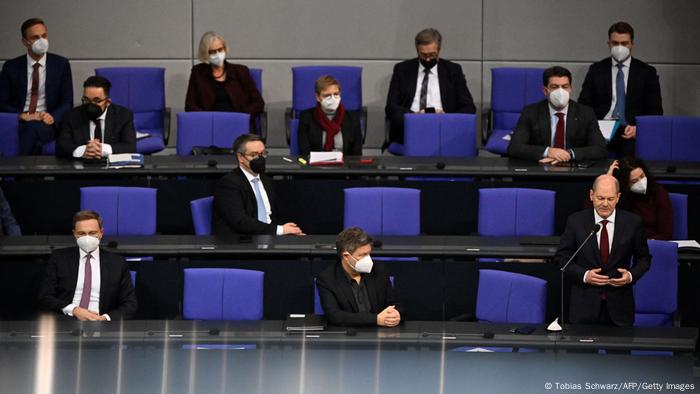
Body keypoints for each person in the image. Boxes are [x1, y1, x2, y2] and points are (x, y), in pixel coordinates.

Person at [555, 175, 650, 326]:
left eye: (610, 199)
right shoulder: (576, 221)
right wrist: (585, 275)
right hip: (584, 307)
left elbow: (644, 259)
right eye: (600, 198)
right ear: (591, 195)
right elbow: (562, 258)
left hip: (620, 307)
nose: (605, 204)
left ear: (618, 197)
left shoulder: (633, 222)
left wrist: (630, 276)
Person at [578, 22, 663, 157]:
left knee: (629, 154)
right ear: (609, 44)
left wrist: (639, 129)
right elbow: (583, 105)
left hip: (629, 129)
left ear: (631, 44)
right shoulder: (596, 70)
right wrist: (592, 127)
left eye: (624, 43)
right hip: (601, 127)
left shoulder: (647, 72)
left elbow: (655, 110)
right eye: (615, 43)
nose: (619, 48)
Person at [37, 210, 137, 320]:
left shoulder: (117, 263)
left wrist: (105, 318)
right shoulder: (59, 258)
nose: (87, 237)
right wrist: (74, 310)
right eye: (82, 233)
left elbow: (130, 304)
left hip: (102, 324)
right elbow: (45, 297)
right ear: (75, 234)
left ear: (101, 233)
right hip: (66, 320)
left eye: (92, 233)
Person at [385, 28, 476, 146]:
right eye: (423, 55)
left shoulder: (453, 71)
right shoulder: (402, 70)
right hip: (411, 128)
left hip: (444, 129)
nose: (428, 59)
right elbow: (391, 107)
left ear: (439, 50)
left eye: (432, 54)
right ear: (417, 50)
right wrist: (414, 117)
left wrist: (447, 118)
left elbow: (469, 108)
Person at [0, 18, 73, 155]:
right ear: (25, 42)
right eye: (35, 37)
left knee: (31, 130)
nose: (42, 41)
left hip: (46, 123)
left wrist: (51, 117)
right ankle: (29, 175)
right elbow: (2, 102)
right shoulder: (11, 67)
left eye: (44, 36)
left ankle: (14, 175)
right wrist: (21, 115)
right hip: (19, 121)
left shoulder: (61, 65)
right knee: (32, 138)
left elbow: (67, 102)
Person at [507, 66, 607, 164]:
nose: (560, 92)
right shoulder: (530, 112)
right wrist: (548, 151)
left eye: (565, 87)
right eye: (554, 87)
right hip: (541, 167)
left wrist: (568, 154)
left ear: (570, 89)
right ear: (545, 91)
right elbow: (515, 147)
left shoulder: (586, 113)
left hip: (573, 168)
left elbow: (600, 149)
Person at [212, 133, 303, 236]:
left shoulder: (267, 181)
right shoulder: (228, 184)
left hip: (270, 238)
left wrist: (287, 231)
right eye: (253, 155)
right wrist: (280, 230)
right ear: (240, 157)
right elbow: (241, 222)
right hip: (243, 242)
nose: (259, 159)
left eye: (262, 154)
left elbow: (274, 217)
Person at [317, 227, 402, 327]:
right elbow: (335, 316)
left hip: (381, 333)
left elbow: (396, 304)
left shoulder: (379, 270)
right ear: (346, 256)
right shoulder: (327, 279)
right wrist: (376, 319)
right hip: (347, 335)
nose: (368, 259)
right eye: (363, 255)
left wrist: (396, 313)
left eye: (369, 254)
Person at [185, 31, 264, 131]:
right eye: (212, 52)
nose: (217, 54)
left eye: (220, 49)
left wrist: (241, 118)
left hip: (237, 124)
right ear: (205, 54)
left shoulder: (241, 71)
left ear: (225, 49)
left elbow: (258, 103)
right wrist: (208, 120)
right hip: (209, 126)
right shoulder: (198, 73)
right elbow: (190, 105)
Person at [55, 76, 136, 159]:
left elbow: (130, 146)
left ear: (108, 102)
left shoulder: (123, 115)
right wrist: (83, 150)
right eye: (86, 100)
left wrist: (102, 149)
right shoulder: (70, 116)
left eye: (96, 101)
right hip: (81, 166)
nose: (90, 105)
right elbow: (62, 146)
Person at [607, 157, 672, 240]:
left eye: (642, 176)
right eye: (634, 181)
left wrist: (644, 245)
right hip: (622, 245)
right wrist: (607, 178)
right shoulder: (617, 196)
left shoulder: (658, 193)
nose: (641, 182)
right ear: (625, 184)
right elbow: (592, 211)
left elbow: (666, 234)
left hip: (651, 244)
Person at [298, 75, 362, 156]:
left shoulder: (353, 118)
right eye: (327, 95)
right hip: (315, 166)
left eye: (336, 94)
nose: (332, 98)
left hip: (345, 166)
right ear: (318, 97)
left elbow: (356, 155)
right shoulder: (306, 117)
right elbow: (304, 152)